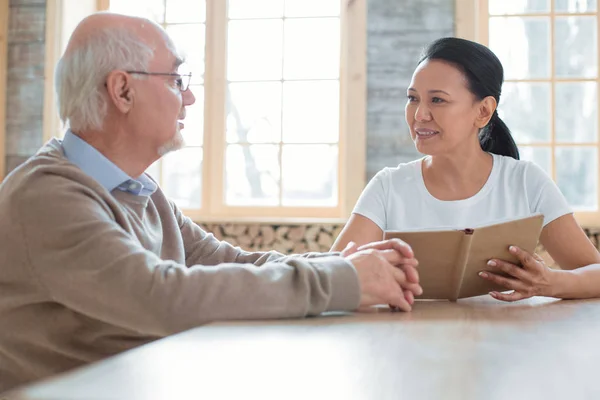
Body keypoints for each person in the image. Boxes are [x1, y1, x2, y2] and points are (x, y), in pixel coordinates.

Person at [0, 13, 422, 393]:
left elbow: (227, 260)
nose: (190, 98)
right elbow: (161, 296)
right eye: (176, 81)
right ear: (122, 90)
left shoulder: (139, 190)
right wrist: (342, 280)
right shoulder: (47, 194)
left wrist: (353, 267)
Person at [332, 37, 600, 302]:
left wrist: (550, 282)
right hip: (408, 341)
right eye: (412, 98)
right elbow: (332, 276)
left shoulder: (526, 182)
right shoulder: (388, 187)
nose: (419, 114)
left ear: (483, 111)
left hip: (512, 342)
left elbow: (594, 272)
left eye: (437, 100)